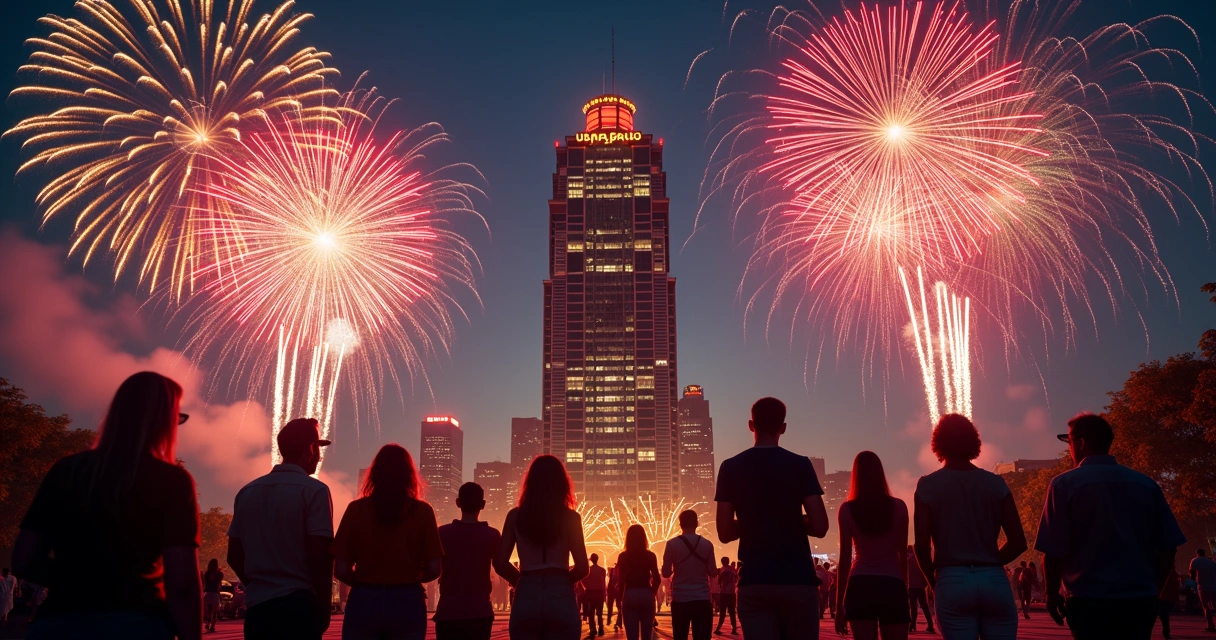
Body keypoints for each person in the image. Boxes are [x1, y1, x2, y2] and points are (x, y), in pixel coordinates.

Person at [13, 372, 201, 640]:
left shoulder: (66, 470)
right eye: (177, 418)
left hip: (60, 621)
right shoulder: (172, 480)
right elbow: (181, 583)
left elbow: (23, 559)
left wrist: (75, 580)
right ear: (164, 420)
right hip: (137, 622)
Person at [1035, 413, 1186, 640]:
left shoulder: (1063, 485)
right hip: (1138, 600)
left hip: (1088, 600)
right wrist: (1152, 588)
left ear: (1081, 443)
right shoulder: (1146, 485)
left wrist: (1051, 593)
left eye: (1069, 441)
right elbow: (1168, 546)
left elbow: (1053, 550)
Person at [715, 397, 830, 639]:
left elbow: (724, 533)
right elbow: (820, 526)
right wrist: (789, 520)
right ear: (783, 427)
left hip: (754, 581)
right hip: (797, 580)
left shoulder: (730, 467)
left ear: (751, 425)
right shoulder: (800, 465)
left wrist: (754, 522)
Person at [913, 414, 1027, 640]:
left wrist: (934, 583)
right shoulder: (996, 484)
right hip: (993, 578)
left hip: (952, 578)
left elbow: (922, 547)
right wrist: (990, 561)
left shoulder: (928, 485)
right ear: (973, 442)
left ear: (938, 444)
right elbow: (1018, 542)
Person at [228, 417, 334, 640]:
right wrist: (324, 607)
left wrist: (260, 584)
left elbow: (234, 555)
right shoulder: (315, 491)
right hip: (299, 605)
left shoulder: (247, 492)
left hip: (258, 608)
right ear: (311, 449)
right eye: (318, 448)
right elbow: (321, 557)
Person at [332, 443, 442, 640]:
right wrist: (411, 577)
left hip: (364, 599)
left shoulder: (356, 510)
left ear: (374, 474)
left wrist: (364, 582)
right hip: (408, 599)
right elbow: (434, 569)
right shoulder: (422, 512)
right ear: (409, 476)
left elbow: (340, 569)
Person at [494, 454, 589, 639]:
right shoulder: (571, 518)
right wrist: (563, 580)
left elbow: (500, 563)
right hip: (560, 593)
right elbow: (583, 568)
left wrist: (520, 580)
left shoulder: (515, 516)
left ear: (530, 483)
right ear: (562, 483)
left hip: (527, 592)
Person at [835, 451, 910, 640]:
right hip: (892, 583)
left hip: (860, 585)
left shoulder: (846, 509)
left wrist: (838, 604)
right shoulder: (900, 507)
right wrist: (903, 590)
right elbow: (902, 556)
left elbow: (845, 560)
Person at [435, 482, 501, 640]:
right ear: (483, 504)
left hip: (448, 611)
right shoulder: (492, 535)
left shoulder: (442, 533)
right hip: (480, 612)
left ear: (458, 503)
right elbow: (500, 565)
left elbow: (434, 569)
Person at [662, 510, 718, 640]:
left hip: (680, 599)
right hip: (702, 599)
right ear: (697, 523)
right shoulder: (707, 544)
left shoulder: (671, 544)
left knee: (680, 636)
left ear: (680, 524)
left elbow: (665, 573)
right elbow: (713, 572)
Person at [618, 525, 662, 640]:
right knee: (647, 634)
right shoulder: (650, 556)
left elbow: (621, 580)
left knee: (631, 635)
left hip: (629, 593)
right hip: (646, 592)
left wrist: (620, 598)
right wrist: (652, 593)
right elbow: (657, 579)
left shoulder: (623, 556)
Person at [906, 546, 933, 634]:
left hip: (911, 586)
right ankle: (930, 625)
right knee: (924, 606)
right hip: (920, 586)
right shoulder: (919, 559)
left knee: (913, 607)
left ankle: (912, 625)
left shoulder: (908, 560)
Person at [1189, 548, 1216, 632]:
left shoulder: (1195, 560)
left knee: (1206, 606)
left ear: (1197, 553)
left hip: (1203, 586)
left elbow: (1192, 573)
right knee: (1214, 605)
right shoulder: (1211, 561)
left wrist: (1193, 581)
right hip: (1214, 585)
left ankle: (1211, 625)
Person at [582, 553, 607, 638]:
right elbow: (603, 583)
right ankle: (601, 628)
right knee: (599, 613)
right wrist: (604, 594)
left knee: (591, 612)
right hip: (599, 592)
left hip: (590, 592)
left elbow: (582, 580)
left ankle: (592, 628)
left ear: (591, 560)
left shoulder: (588, 570)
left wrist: (586, 587)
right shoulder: (602, 570)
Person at [715, 557, 738, 635]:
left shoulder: (721, 570)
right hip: (731, 593)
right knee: (732, 612)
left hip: (723, 593)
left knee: (722, 612)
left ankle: (718, 628)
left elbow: (719, 582)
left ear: (722, 562)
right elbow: (736, 578)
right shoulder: (732, 569)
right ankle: (734, 629)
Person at [202, 559, 224, 632]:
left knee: (208, 609)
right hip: (215, 593)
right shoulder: (219, 573)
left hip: (207, 592)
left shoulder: (206, 573)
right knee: (215, 610)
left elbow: (205, 583)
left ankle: (207, 622)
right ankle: (212, 626)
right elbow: (220, 583)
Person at [1159, 566, 1180, 639]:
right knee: (1164, 615)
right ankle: (1166, 632)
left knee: (1163, 615)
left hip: (1159, 595)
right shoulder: (1172, 572)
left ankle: (1166, 632)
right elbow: (1175, 585)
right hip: (1164, 596)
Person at [608, 561, 623, 630]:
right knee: (619, 607)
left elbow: (610, 580)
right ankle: (618, 623)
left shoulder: (612, 570)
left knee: (611, 606)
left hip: (612, 590)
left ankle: (610, 620)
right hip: (618, 591)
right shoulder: (621, 571)